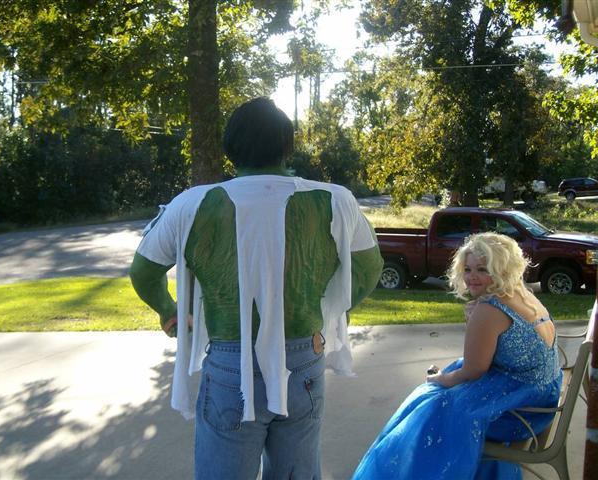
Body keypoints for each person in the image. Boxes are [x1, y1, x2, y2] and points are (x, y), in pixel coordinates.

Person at [129, 97, 383, 480]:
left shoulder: (191, 204)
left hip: (230, 364)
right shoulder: (335, 199)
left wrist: (170, 312)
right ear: (287, 145)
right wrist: (333, 314)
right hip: (305, 358)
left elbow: (143, 271)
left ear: (230, 147)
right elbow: (369, 267)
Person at [352, 232, 562, 480]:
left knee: (430, 404)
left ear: (502, 270)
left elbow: (474, 371)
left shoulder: (490, 309)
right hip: (544, 394)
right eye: (468, 269)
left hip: (524, 412)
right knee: (439, 398)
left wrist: (439, 378)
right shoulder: (522, 293)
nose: (472, 276)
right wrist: (476, 321)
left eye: (483, 269)